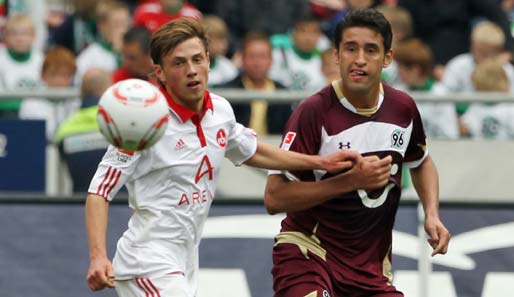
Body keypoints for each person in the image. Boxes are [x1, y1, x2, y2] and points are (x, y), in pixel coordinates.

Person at [85, 18, 372, 297]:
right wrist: (98, 257)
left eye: (198, 59)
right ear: (159, 72)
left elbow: (253, 150)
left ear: (209, 60)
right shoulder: (143, 120)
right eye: (179, 63)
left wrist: (320, 162)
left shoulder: (219, 112)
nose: (192, 70)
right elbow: (100, 190)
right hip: (147, 261)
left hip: (185, 258)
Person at [264, 9, 451, 297]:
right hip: (309, 253)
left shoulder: (403, 108)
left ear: (388, 58)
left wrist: (432, 214)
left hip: (370, 272)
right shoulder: (312, 112)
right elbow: (274, 198)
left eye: (371, 50)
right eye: (350, 48)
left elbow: (421, 161)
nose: (360, 59)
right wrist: (349, 181)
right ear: (337, 55)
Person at [217, 31, 292, 135]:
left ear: (271, 60)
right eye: (252, 56)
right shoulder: (226, 92)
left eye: (262, 57)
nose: (257, 63)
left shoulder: (284, 93)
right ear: (242, 59)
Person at [54, 68, 112, 192]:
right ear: (108, 91)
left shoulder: (65, 128)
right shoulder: (119, 124)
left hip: (80, 204)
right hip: (120, 203)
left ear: (82, 91)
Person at [19, 46, 79, 141]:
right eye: (54, 74)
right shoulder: (30, 103)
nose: (59, 81)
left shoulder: (77, 102)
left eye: (65, 75)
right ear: (43, 75)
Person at [0, 14, 44, 118]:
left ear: (33, 36)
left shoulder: (42, 60)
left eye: (25, 34)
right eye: (14, 34)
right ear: (5, 36)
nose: (20, 38)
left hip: (37, 116)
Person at [460, 58, 514, 139]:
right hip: (478, 149)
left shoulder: (509, 107)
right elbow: (467, 125)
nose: (475, 89)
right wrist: (464, 129)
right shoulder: (476, 106)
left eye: (477, 87)